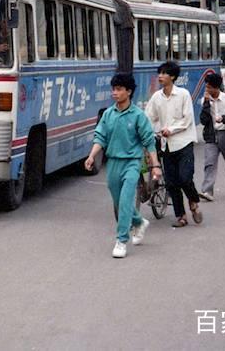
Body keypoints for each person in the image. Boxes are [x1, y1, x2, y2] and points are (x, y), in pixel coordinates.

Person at [84, 73, 160, 259]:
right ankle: (139, 222)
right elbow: (100, 137)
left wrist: (155, 165)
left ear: (129, 91)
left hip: (133, 162)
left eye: (119, 89)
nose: (115, 93)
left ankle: (121, 240)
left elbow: (149, 142)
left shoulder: (138, 116)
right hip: (113, 162)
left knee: (126, 200)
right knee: (119, 202)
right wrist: (92, 156)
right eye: (114, 89)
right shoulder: (108, 114)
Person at [144, 61, 202, 228]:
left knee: (185, 178)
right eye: (159, 73)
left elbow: (187, 119)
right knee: (171, 183)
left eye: (164, 73)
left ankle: (193, 201)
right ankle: (181, 216)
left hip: (184, 142)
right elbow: (149, 117)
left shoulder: (183, 95)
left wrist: (171, 129)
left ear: (173, 77)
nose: (160, 76)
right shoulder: (156, 97)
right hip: (166, 145)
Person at [198, 73, 225, 200]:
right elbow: (203, 120)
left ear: (216, 88)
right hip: (211, 135)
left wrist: (224, 119)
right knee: (209, 163)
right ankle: (207, 191)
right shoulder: (205, 100)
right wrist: (206, 103)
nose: (207, 90)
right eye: (206, 87)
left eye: (209, 88)